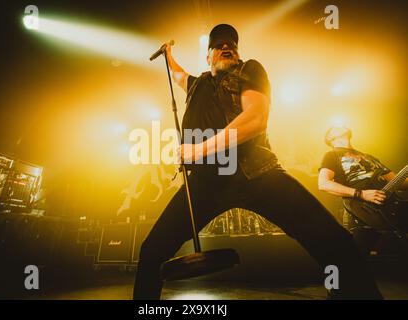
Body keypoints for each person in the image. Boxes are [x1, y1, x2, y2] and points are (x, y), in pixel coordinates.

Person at [133, 24, 382, 299]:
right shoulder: (197, 86)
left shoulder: (248, 70)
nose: (227, 46)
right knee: (152, 250)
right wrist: (167, 54)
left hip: (257, 174)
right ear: (208, 57)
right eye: (218, 44)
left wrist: (197, 150)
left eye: (232, 44)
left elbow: (255, 119)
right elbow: (178, 75)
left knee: (334, 241)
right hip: (207, 183)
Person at [318, 126, 408, 252]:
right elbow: (323, 184)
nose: (341, 125)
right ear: (330, 138)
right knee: (359, 258)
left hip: (388, 206)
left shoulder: (369, 157)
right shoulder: (331, 156)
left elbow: (400, 183)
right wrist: (361, 194)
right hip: (361, 210)